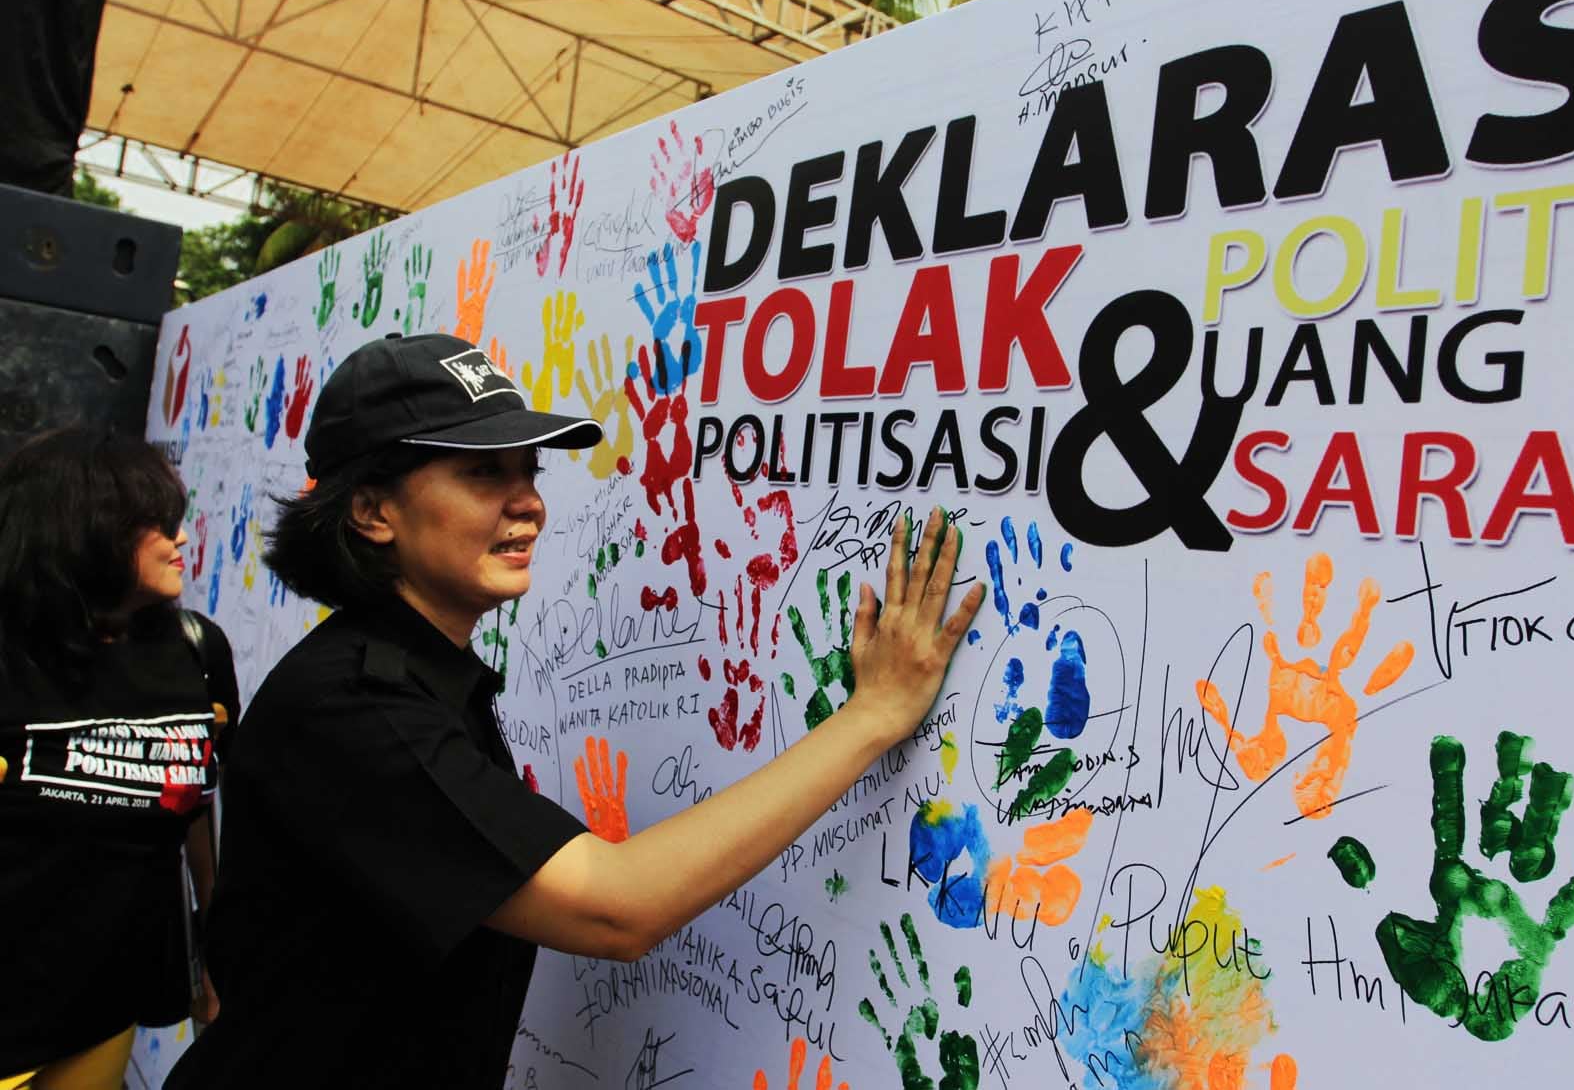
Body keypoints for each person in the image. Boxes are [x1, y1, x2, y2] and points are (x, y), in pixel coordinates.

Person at [167, 334, 984, 1087]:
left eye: (531, 473)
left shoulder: (413, 676)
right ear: (373, 512)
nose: (529, 505)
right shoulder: (355, 704)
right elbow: (617, 907)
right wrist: (871, 715)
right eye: (484, 474)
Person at [0, 426, 239, 1089]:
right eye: (156, 525)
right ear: (82, 527)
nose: (182, 539)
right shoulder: (12, 658)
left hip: (103, 1010)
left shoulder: (197, 651)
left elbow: (196, 800)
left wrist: (213, 953)